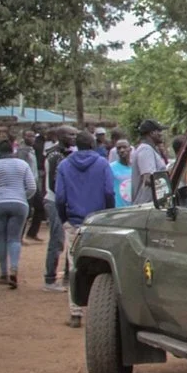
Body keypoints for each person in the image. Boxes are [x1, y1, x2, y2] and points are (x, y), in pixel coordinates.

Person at [55, 131, 115, 327]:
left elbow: (60, 197)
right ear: (92, 144)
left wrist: (65, 219)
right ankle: (100, 313)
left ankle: (75, 314)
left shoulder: (64, 165)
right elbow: (108, 191)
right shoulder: (102, 163)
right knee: (103, 265)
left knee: (74, 266)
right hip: (98, 222)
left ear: (76, 145)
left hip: (75, 223)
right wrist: (108, 216)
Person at [0, 140, 37, 288]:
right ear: (13, 150)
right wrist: (21, 196)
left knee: (1, 239)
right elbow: (32, 187)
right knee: (14, 239)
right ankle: (14, 269)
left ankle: (3, 273)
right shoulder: (23, 164)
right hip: (20, 203)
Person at [41, 127, 76, 293]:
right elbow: (53, 184)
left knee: (65, 240)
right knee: (57, 240)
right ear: (61, 136)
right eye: (71, 134)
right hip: (54, 201)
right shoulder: (55, 155)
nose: (73, 137)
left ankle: (63, 278)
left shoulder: (64, 153)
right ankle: (50, 279)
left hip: (61, 202)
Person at [131, 120, 166, 205]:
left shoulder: (151, 149)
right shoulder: (145, 149)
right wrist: (168, 184)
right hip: (146, 205)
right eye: (159, 131)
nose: (161, 134)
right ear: (152, 133)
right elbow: (148, 179)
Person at [110, 139, 134, 207]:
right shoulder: (110, 168)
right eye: (119, 148)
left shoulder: (136, 167)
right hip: (119, 209)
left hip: (135, 208)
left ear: (130, 149)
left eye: (124, 147)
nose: (122, 150)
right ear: (116, 151)